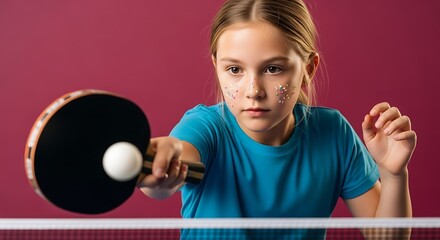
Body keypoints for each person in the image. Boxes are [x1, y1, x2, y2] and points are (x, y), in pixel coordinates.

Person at [137, 0, 417, 239]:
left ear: (308, 68)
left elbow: (386, 236)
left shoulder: (333, 134)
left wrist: (393, 174)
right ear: (216, 65)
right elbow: (174, 161)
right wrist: (161, 167)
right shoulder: (205, 127)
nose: (253, 91)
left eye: (273, 68)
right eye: (235, 69)